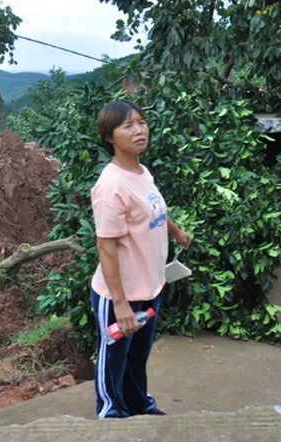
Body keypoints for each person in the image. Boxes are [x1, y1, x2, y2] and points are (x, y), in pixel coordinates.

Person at [90, 99, 191, 419]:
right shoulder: (111, 186)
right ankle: (111, 412)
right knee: (114, 359)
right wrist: (119, 305)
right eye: (127, 125)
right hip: (119, 295)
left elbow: (154, 208)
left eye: (142, 122)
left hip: (150, 287)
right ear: (109, 136)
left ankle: (138, 406)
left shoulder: (141, 172)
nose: (139, 130)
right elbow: (106, 247)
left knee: (136, 358)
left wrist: (175, 231)